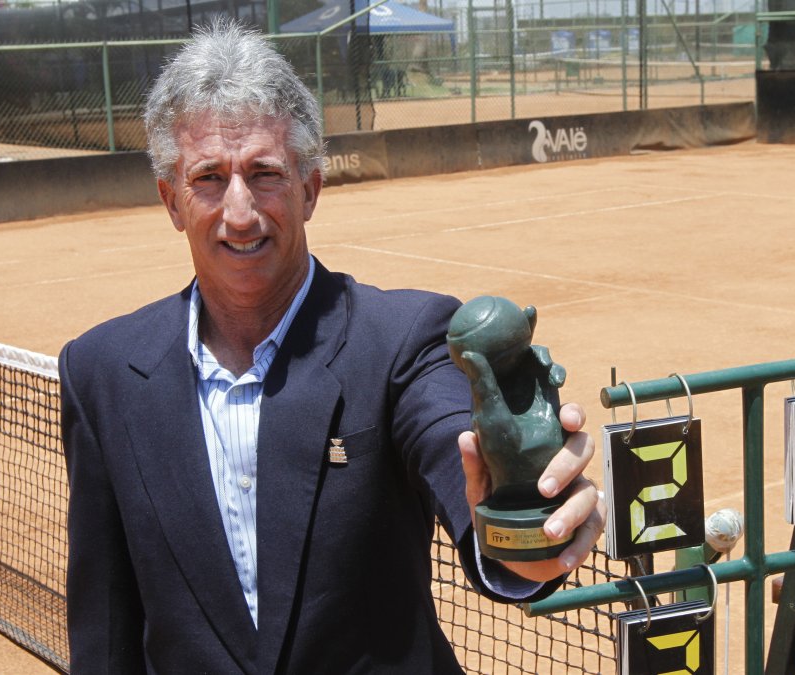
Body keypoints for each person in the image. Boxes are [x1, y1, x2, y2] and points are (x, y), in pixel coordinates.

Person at [59, 19, 604, 674]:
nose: (239, 211)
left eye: (265, 173)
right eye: (208, 178)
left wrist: (526, 522)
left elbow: (457, 445)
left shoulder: (405, 338)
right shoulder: (100, 372)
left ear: (310, 189)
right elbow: (107, 631)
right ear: (171, 200)